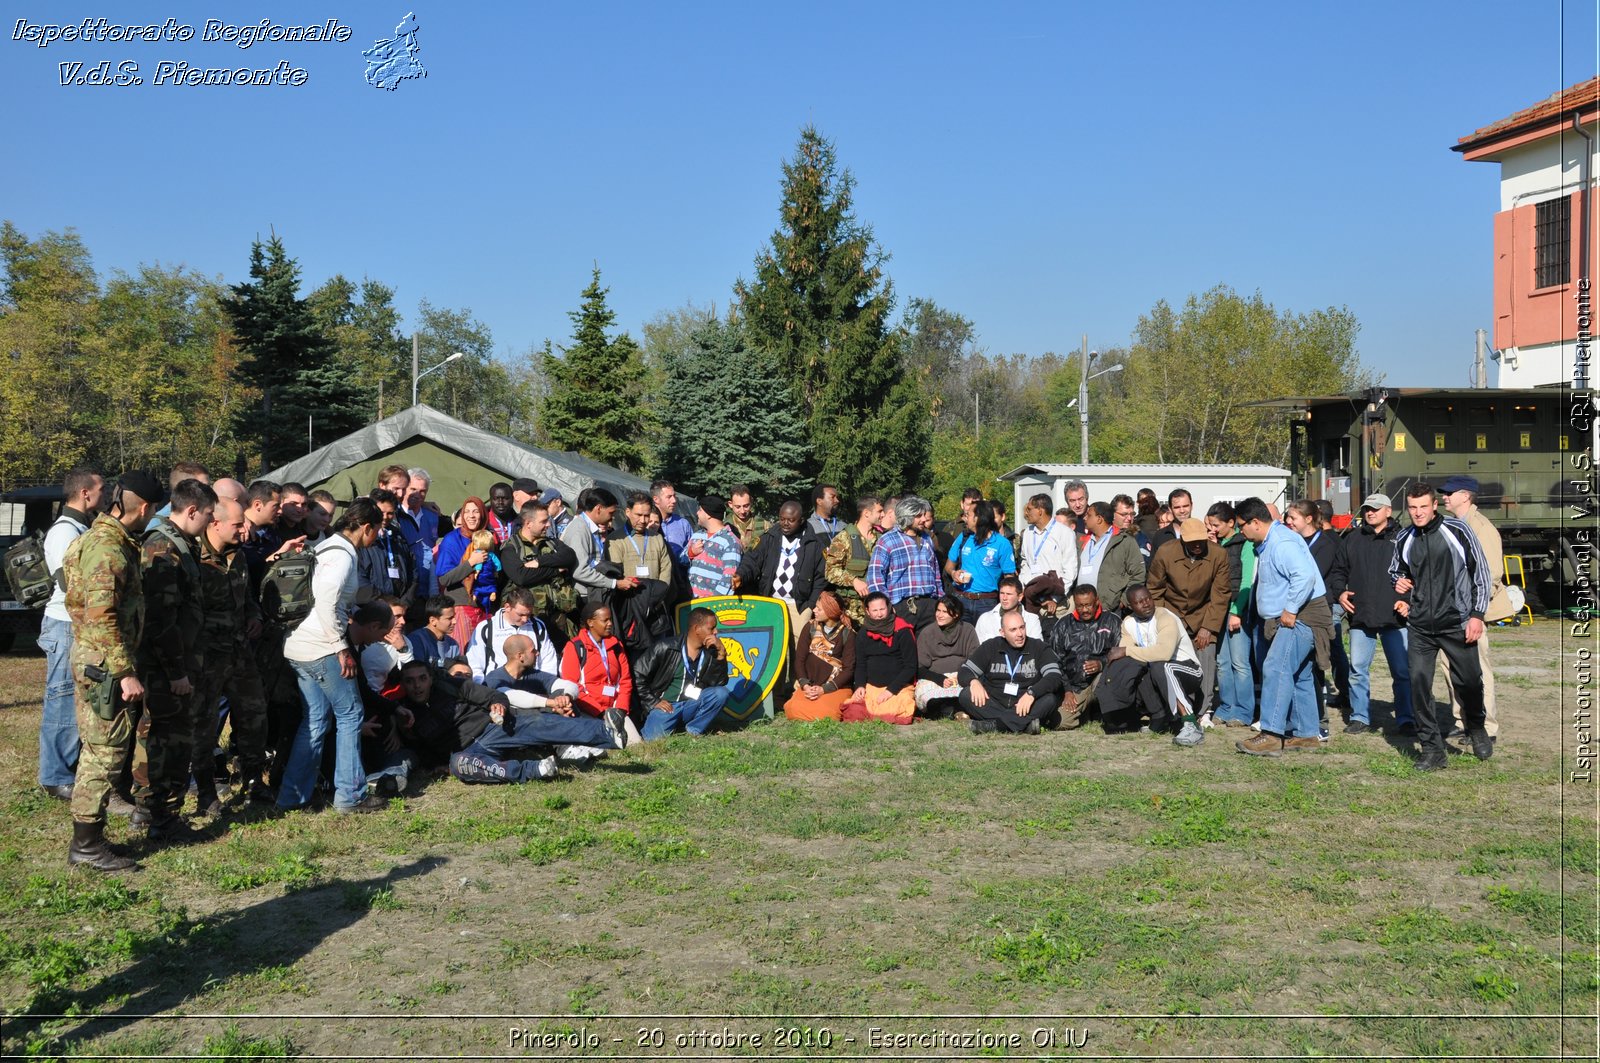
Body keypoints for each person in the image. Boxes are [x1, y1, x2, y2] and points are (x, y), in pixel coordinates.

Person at [61, 471, 162, 871]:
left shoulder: (95, 539)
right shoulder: (108, 549)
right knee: (104, 753)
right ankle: (85, 844)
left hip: (94, 657)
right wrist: (125, 673)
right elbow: (102, 617)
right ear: (146, 507)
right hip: (106, 665)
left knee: (99, 749)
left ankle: (89, 838)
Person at [277, 497, 388, 814]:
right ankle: (350, 795)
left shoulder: (325, 547)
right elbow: (326, 602)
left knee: (315, 720)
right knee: (351, 714)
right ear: (366, 527)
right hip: (321, 647)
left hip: (298, 645)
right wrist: (341, 648)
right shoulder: (342, 556)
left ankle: (292, 797)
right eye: (376, 531)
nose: (376, 538)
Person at [134, 477, 217, 840]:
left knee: (173, 737)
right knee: (166, 740)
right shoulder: (162, 548)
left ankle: (158, 814)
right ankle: (159, 817)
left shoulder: (182, 544)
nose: (211, 523)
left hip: (181, 660)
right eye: (209, 516)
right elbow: (161, 619)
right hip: (167, 666)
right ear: (192, 511)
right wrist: (176, 671)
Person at [1390, 483, 1493, 769]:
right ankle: (1433, 750)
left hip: (1456, 621)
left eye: (1423, 507)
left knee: (1469, 682)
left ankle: (1476, 726)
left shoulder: (1458, 530)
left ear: (1435, 505)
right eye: (1412, 508)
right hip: (1420, 625)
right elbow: (1396, 572)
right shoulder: (1404, 537)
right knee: (1419, 684)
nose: (1418, 513)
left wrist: (1476, 615)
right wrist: (1399, 585)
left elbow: (1480, 572)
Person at [396, 659, 626, 785]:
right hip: (468, 751)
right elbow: (420, 749)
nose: (417, 685)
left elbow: (493, 695)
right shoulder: (406, 715)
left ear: (430, 679)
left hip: (492, 727)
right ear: (403, 685)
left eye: (422, 679)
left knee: (540, 722)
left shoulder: (451, 686)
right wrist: (437, 765)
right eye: (410, 681)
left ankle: (607, 733)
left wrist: (499, 705)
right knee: (461, 766)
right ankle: (535, 770)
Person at [1234, 497, 1332, 757]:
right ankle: (1306, 733)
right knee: (1298, 673)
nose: (1240, 530)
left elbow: (1305, 575)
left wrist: (1290, 609)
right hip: (1294, 614)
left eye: (1241, 525)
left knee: (1276, 667)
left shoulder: (1282, 542)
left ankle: (1271, 733)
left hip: (1301, 615)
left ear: (1255, 522)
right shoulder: (1271, 541)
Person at [193, 495, 273, 813]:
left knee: (254, 716)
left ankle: (254, 780)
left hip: (239, 653)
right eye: (238, 524)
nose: (244, 530)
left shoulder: (237, 556)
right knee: (203, 725)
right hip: (206, 657)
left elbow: (248, 596)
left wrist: (254, 616)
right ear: (215, 523)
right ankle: (205, 790)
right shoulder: (193, 558)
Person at [37, 466, 103, 801]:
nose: (104, 495)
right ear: (85, 493)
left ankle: (69, 767)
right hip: (64, 623)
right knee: (61, 700)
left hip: (76, 623)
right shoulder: (64, 531)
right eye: (100, 489)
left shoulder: (82, 526)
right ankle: (55, 776)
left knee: (76, 699)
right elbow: (68, 581)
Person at [1326, 493, 1411, 735]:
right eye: (1366, 509)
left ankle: (1406, 718)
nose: (1370, 513)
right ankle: (1359, 717)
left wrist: (1407, 601)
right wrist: (1340, 593)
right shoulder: (1352, 539)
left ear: (1388, 510)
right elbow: (1338, 571)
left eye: (1375, 508)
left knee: (1402, 672)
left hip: (1395, 618)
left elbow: (1415, 574)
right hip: (1360, 617)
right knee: (1358, 670)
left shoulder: (1403, 538)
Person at [1440, 475, 1514, 744]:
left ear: (1466, 496)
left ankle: (1486, 727)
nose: (1444, 497)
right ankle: (1462, 721)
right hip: (1451, 611)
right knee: (1450, 668)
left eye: (1450, 493)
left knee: (1478, 670)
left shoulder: (1482, 528)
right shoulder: (1452, 525)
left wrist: (1475, 612)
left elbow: (1492, 574)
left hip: (1472, 612)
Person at [1145, 517, 1231, 724]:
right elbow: (1155, 589)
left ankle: (1203, 711)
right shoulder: (1166, 552)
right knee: (1169, 663)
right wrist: (1163, 622)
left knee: (1206, 658)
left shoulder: (1219, 554)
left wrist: (1208, 627)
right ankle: (1174, 709)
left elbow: (1221, 594)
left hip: (1203, 614)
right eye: (1192, 543)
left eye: (1201, 541)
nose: (1198, 546)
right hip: (1171, 614)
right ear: (1182, 540)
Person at [1098, 586, 1206, 746]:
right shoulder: (1128, 623)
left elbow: (1164, 653)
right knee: (1136, 667)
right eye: (1139, 602)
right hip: (1159, 673)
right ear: (1130, 606)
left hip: (1188, 670)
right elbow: (1128, 658)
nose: (1146, 603)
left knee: (1161, 665)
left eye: (1148, 598)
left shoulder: (1165, 617)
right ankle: (1159, 718)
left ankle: (1191, 724)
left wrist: (1127, 650)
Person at [632, 606, 750, 739]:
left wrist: (721, 655)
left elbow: (720, 683)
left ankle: (693, 730)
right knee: (651, 739)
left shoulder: (711, 652)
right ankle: (671, 725)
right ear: (696, 629)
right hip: (667, 707)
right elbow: (638, 673)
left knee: (721, 693)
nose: (716, 632)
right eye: (711, 628)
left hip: (692, 704)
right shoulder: (665, 647)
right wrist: (653, 701)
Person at [959, 609, 1065, 735]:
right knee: (965, 695)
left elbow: (1054, 676)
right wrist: (974, 681)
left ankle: (995, 725)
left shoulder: (1039, 647)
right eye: (1013, 630)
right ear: (1002, 632)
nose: (1020, 634)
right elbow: (964, 671)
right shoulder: (990, 646)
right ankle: (1024, 725)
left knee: (1050, 700)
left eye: (1022, 627)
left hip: (1026, 704)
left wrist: (1032, 693)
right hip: (994, 702)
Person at [737, 500, 826, 645]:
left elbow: (821, 577)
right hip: (771, 602)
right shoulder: (768, 538)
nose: (785, 523)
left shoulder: (814, 544)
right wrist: (740, 575)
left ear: (801, 520)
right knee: (771, 645)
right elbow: (751, 560)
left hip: (799, 606)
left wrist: (810, 604)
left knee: (798, 647)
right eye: (782, 519)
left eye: (791, 520)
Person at [1206, 502, 1258, 729]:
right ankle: (1226, 706)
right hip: (1217, 609)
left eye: (1216, 525)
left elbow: (1247, 580)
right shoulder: (1214, 545)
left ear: (1230, 523)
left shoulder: (1244, 544)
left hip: (1238, 608)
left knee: (1239, 662)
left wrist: (1237, 612)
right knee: (1222, 663)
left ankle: (1244, 710)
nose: (1213, 528)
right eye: (1209, 525)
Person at [501, 499, 582, 643]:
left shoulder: (551, 542)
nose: (549, 524)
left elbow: (569, 557)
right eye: (543, 521)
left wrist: (540, 562)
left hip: (559, 620)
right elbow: (521, 577)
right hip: (528, 622)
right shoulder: (511, 548)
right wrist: (556, 570)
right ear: (528, 523)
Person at [606, 490, 677, 653]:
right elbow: (616, 574)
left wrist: (657, 597)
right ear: (627, 512)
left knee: (658, 654)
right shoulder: (616, 540)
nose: (643, 520)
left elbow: (666, 569)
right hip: (631, 610)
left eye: (646, 515)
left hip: (656, 608)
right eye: (638, 515)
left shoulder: (657, 538)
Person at [1047, 583, 1121, 730]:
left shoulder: (1112, 621)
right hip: (1074, 686)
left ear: (1097, 601)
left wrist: (1101, 664)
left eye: (1088, 605)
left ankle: (1105, 712)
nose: (1084, 610)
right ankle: (1085, 711)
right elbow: (1055, 661)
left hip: (1101, 679)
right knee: (1061, 723)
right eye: (1080, 606)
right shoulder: (1063, 625)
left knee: (1109, 678)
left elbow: (1123, 655)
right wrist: (1067, 691)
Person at [866, 497, 943, 630]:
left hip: (930, 605)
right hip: (901, 607)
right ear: (906, 516)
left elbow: (935, 572)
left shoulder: (927, 539)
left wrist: (940, 600)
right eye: (918, 516)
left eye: (924, 515)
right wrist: (886, 606)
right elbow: (875, 577)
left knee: (928, 649)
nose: (924, 519)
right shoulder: (887, 540)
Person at [842, 592, 917, 724]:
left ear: (888, 607)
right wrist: (860, 686)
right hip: (872, 687)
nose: (879, 614)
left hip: (898, 687)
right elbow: (861, 664)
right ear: (868, 611)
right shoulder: (863, 633)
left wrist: (890, 691)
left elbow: (911, 666)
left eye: (882, 609)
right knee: (853, 712)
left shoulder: (902, 630)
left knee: (895, 713)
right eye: (875, 610)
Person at [782, 590, 856, 721]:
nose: (814, 610)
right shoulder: (810, 627)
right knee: (791, 709)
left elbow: (849, 669)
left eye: (819, 609)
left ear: (831, 611)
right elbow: (799, 660)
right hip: (811, 685)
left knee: (828, 714)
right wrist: (805, 685)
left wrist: (824, 689)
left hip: (835, 687)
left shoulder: (847, 634)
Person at [560, 486, 641, 603]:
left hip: (593, 592)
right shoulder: (579, 530)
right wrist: (614, 583)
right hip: (584, 596)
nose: (612, 517)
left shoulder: (591, 528)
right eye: (611, 513)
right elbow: (580, 571)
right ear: (598, 509)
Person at [436, 497, 495, 650]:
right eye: (467, 512)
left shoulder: (489, 538)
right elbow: (444, 579)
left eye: (476, 511)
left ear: (483, 514)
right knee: (463, 655)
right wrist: (470, 563)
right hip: (461, 606)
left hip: (486, 606)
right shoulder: (452, 540)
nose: (471, 516)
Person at [464, 586, 559, 681]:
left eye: (528, 615)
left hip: (533, 686)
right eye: (521, 615)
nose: (525, 619)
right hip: (497, 687)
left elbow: (548, 659)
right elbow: (474, 663)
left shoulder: (538, 625)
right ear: (507, 607)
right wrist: (483, 689)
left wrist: (546, 685)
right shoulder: (486, 627)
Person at [560, 601, 633, 718]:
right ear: (590, 623)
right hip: (587, 711)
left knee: (633, 737)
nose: (610, 624)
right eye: (605, 620)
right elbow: (571, 685)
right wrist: (600, 712)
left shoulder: (616, 645)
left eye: (610, 620)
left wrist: (620, 709)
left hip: (615, 708)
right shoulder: (575, 647)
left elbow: (625, 681)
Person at [945, 500, 1015, 618]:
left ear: (978, 518)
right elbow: (948, 566)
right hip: (961, 599)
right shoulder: (964, 537)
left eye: (968, 515)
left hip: (987, 602)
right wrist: (953, 573)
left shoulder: (1002, 543)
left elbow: (1009, 577)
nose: (965, 518)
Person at [913, 594, 979, 719]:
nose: (939, 615)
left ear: (956, 614)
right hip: (935, 678)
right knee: (929, 698)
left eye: (945, 612)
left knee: (971, 692)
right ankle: (951, 710)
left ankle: (954, 710)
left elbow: (974, 659)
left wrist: (961, 675)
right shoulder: (927, 632)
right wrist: (939, 678)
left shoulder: (968, 629)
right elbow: (919, 668)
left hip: (961, 675)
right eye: (938, 610)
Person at [823, 494, 882, 624]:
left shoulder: (881, 539)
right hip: (851, 611)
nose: (882, 515)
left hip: (877, 608)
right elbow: (830, 571)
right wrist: (854, 581)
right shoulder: (844, 538)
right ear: (866, 513)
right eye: (879, 511)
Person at [1017, 492, 1078, 616]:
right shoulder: (1028, 533)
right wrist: (1025, 586)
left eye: (1029, 509)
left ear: (1040, 511)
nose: (1026, 513)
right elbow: (1025, 561)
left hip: (1056, 603)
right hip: (1032, 597)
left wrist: (1055, 598)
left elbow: (1070, 570)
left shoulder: (1064, 533)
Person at [1080, 502, 1144, 614]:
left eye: (1089, 515)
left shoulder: (1124, 541)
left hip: (1109, 608)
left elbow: (1138, 573)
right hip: (1082, 608)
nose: (1085, 518)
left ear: (1099, 519)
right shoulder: (1082, 540)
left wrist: (1124, 600)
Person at [355, 488, 416, 605]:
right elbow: (359, 579)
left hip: (399, 608)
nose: (385, 517)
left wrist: (404, 603)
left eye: (390, 513)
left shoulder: (398, 536)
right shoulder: (361, 540)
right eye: (381, 512)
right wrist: (384, 602)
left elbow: (412, 572)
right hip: (371, 608)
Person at [394, 468, 440, 596]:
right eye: (413, 489)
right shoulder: (393, 515)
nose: (417, 495)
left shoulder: (433, 516)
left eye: (422, 491)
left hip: (428, 586)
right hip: (403, 588)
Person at [686, 495, 741, 598]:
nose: (697, 513)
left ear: (708, 514)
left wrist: (713, 602)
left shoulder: (730, 541)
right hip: (689, 602)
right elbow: (680, 561)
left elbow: (729, 578)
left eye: (700, 510)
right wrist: (691, 552)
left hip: (711, 606)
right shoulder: (697, 535)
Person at [972, 577, 1043, 643]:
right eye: (1002, 593)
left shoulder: (1032, 620)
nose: (1004, 598)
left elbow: (1037, 650)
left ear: (1020, 597)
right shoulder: (985, 619)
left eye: (1009, 594)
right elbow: (978, 650)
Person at [407, 594, 462, 671]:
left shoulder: (453, 644)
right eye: (450, 618)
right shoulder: (416, 640)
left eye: (454, 617)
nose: (454, 621)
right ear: (433, 621)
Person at [652, 480, 693, 567]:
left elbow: (691, 552)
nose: (674, 500)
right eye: (669, 497)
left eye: (674, 496)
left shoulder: (683, 524)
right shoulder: (648, 524)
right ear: (656, 499)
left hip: (679, 576)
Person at [727, 486, 770, 551]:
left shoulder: (765, 526)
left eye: (746, 506)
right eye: (738, 507)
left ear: (751, 502)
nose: (742, 511)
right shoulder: (724, 527)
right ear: (730, 504)